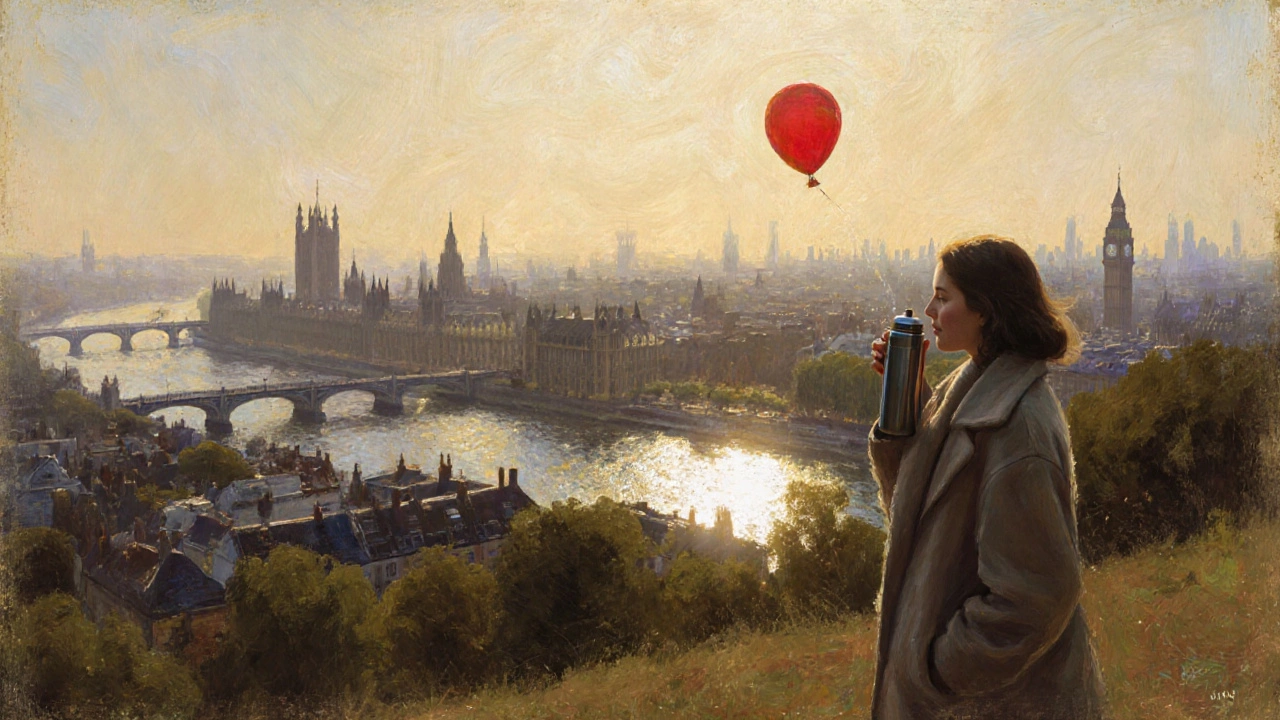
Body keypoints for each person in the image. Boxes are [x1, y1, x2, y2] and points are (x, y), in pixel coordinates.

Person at [866, 235, 1105, 719]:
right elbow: (919, 523)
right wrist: (909, 403)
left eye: (944, 296)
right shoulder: (972, 387)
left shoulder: (1020, 432)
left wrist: (935, 669)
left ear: (985, 311)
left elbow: (1034, 601)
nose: (929, 308)